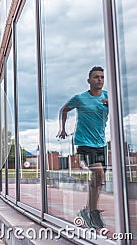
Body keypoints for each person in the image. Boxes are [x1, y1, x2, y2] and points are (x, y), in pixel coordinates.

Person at [57, 66, 108, 229]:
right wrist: (63, 128)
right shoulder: (80, 98)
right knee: (98, 174)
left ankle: (88, 210)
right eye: (96, 77)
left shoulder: (108, 96)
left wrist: (111, 104)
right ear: (89, 81)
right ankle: (92, 213)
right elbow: (64, 109)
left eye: (101, 77)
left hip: (101, 143)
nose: (99, 80)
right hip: (84, 143)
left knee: (98, 180)